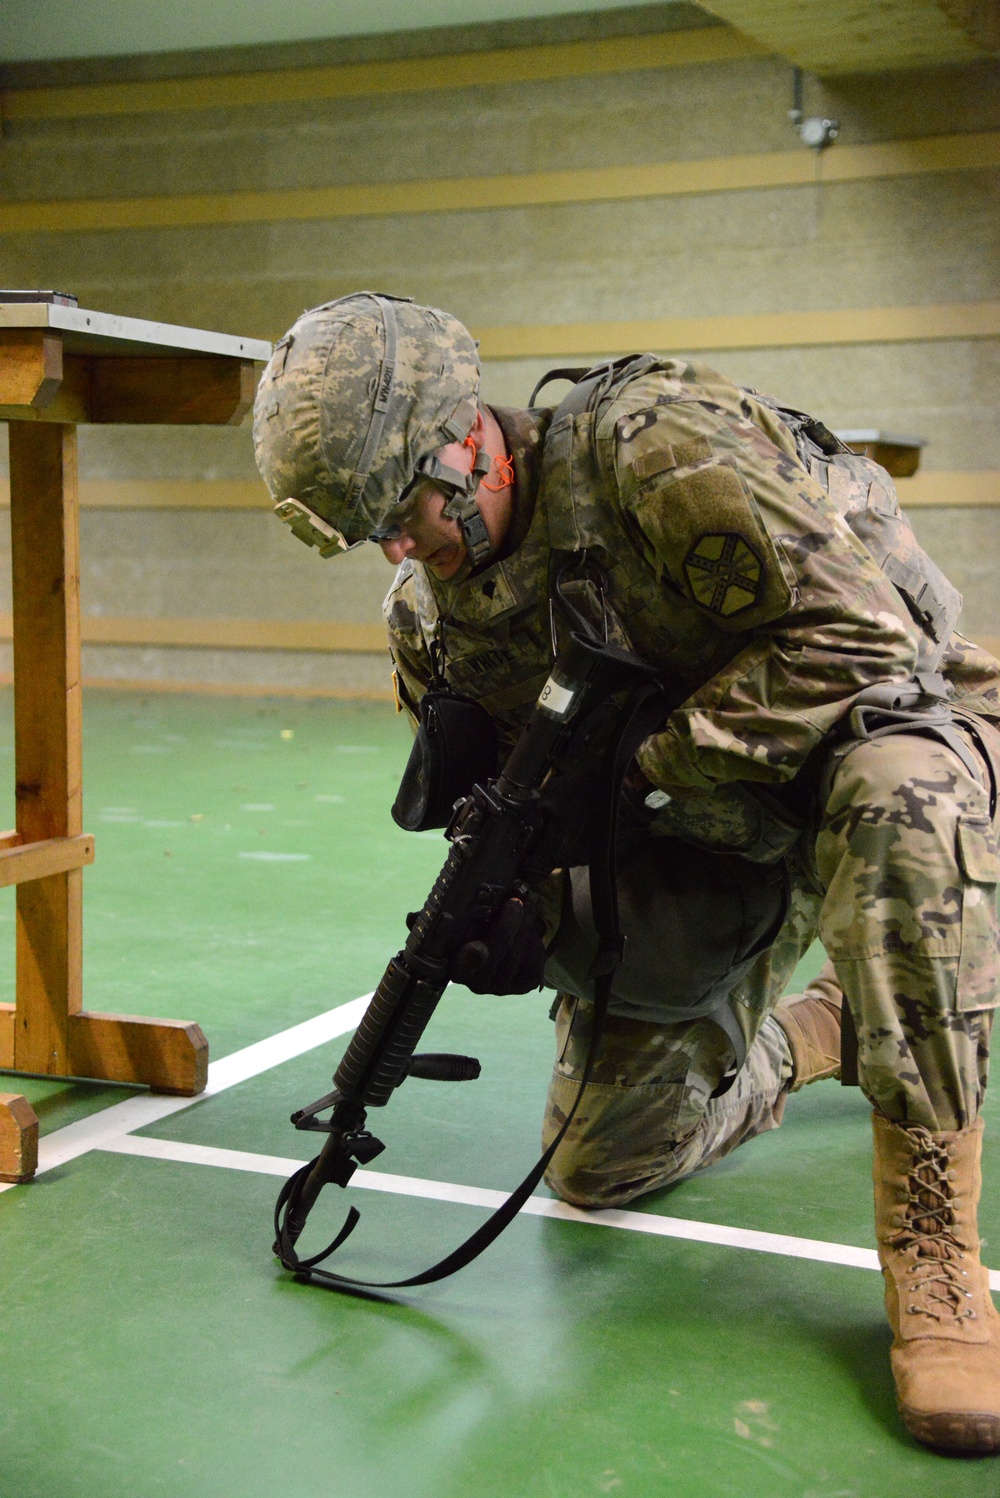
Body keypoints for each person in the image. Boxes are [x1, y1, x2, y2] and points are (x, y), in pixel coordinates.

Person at [254, 291, 1000, 1455]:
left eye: (400, 512)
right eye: (371, 534)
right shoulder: (431, 623)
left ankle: (938, 1258)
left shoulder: (651, 444)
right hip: (705, 831)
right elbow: (521, 807)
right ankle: (819, 1034)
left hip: (874, 741)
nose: (399, 550)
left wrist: (647, 763)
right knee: (604, 1166)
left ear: (465, 444)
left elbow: (862, 641)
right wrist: (522, 911)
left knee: (905, 801)